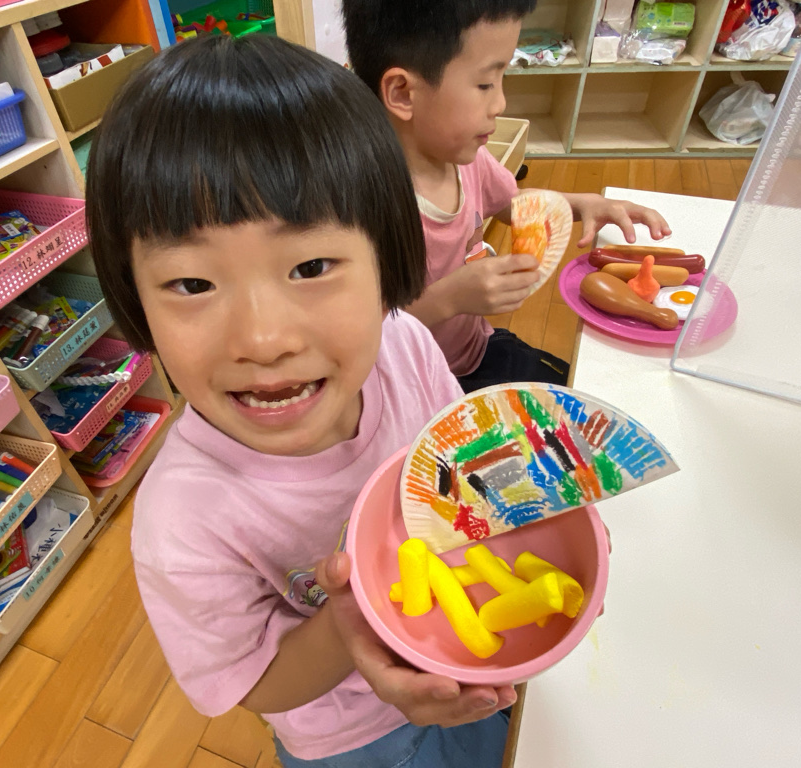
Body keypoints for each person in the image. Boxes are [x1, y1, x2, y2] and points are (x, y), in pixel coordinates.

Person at [86, 34, 518, 768]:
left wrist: (540, 514)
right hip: (354, 737)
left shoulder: (405, 346)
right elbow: (255, 683)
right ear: (135, 300)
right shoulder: (183, 518)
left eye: (312, 265)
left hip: (474, 647)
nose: (263, 339)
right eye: (192, 284)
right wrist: (353, 624)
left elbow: (466, 459)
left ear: (385, 258)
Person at [342, 0, 673, 392]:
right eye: (485, 84)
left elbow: (512, 205)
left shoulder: (465, 157)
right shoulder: (362, 206)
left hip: (477, 352)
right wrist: (449, 299)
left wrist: (581, 203)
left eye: (503, 79)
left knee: (583, 389)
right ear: (402, 92)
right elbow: (361, 333)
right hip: (408, 384)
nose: (501, 103)